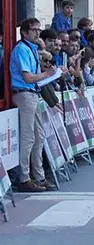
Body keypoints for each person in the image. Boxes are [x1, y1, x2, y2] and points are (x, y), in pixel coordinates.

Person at [11, 18, 58, 192]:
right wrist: (47, 74)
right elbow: (28, 77)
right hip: (24, 93)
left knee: (39, 136)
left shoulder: (31, 49)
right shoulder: (22, 49)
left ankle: (39, 176)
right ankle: (24, 178)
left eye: (39, 29)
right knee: (28, 137)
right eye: (34, 30)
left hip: (32, 94)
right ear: (25, 32)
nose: (38, 32)